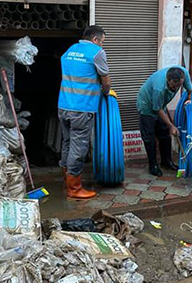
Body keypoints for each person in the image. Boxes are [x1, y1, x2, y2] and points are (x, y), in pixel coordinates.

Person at [58, 25, 112, 199]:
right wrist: (106, 93)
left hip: (63, 105)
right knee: (78, 147)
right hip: (81, 108)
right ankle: (74, 188)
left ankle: (66, 179)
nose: (102, 45)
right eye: (102, 42)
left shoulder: (70, 50)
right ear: (95, 40)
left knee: (67, 143)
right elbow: (106, 80)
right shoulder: (97, 52)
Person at [136, 66, 192, 176]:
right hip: (146, 106)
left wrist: (191, 102)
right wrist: (171, 125)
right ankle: (153, 165)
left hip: (161, 105)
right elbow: (157, 109)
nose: (175, 88)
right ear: (168, 80)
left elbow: (191, 91)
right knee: (150, 138)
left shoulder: (184, 74)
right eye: (173, 86)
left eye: (178, 86)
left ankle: (166, 162)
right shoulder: (159, 88)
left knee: (165, 134)